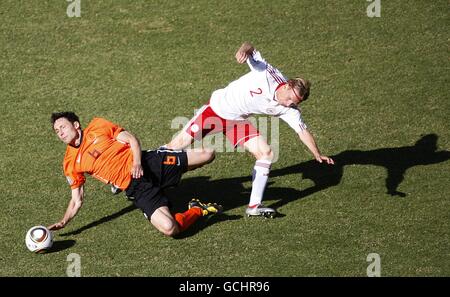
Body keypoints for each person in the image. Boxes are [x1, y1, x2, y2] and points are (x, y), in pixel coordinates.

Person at [166, 42, 334, 217]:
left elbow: (302, 131)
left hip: (237, 121)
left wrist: (317, 154)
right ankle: (146, 173)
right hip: (215, 110)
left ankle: (254, 206)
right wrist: (243, 50)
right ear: (286, 85)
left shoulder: (288, 109)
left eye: (295, 103)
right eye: (290, 99)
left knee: (266, 153)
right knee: (176, 145)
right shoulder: (267, 73)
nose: (290, 104)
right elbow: (250, 48)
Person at [48, 112, 222, 237]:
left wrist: (137, 162)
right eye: (57, 131)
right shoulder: (70, 163)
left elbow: (132, 140)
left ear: (76, 125)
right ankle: (197, 210)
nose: (60, 132)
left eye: (62, 127)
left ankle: (169, 161)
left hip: (148, 163)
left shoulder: (98, 126)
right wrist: (64, 221)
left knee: (208, 154)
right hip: (136, 188)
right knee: (170, 229)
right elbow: (76, 199)